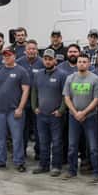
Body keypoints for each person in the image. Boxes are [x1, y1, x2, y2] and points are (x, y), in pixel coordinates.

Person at [0, 48, 31, 171]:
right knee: (0, 138)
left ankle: (19, 162)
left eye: (9, 55)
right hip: (0, 110)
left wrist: (20, 108)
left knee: (17, 138)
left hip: (14, 111)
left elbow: (26, 91)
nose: (6, 57)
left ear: (14, 56)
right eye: (5, 55)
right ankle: (0, 160)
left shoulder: (21, 71)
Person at [63, 54, 98, 182]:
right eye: (79, 61)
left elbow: (96, 100)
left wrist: (84, 113)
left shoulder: (95, 79)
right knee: (72, 146)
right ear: (77, 63)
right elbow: (67, 98)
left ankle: (96, 172)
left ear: (89, 63)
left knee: (93, 147)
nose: (81, 64)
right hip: (73, 117)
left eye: (84, 61)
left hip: (90, 117)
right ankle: (72, 171)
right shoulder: (70, 78)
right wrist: (75, 113)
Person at [31, 48, 67, 176]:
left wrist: (61, 110)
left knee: (57, 142)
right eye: (45, 59)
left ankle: (56, 166)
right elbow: (34, 91)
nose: (47, 61)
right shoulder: (38, 74)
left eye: (50, 59)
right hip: (41, 115)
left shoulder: (62, 75)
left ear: (55, 60)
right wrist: (34, 107)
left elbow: (66, 95)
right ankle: (43, 165)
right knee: (42, 141)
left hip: (55, 116)